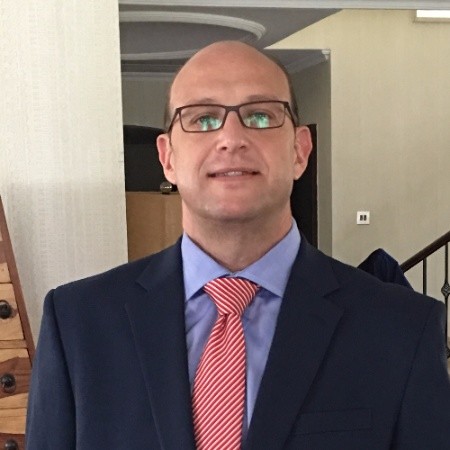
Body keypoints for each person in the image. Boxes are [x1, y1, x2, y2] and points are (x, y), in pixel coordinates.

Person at [26, 41, 450, 450]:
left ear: (300, 151)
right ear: (168, 157)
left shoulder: (402, 329)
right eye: (202, 118)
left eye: (260, 116)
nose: (231, 138)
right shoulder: (78, 324)